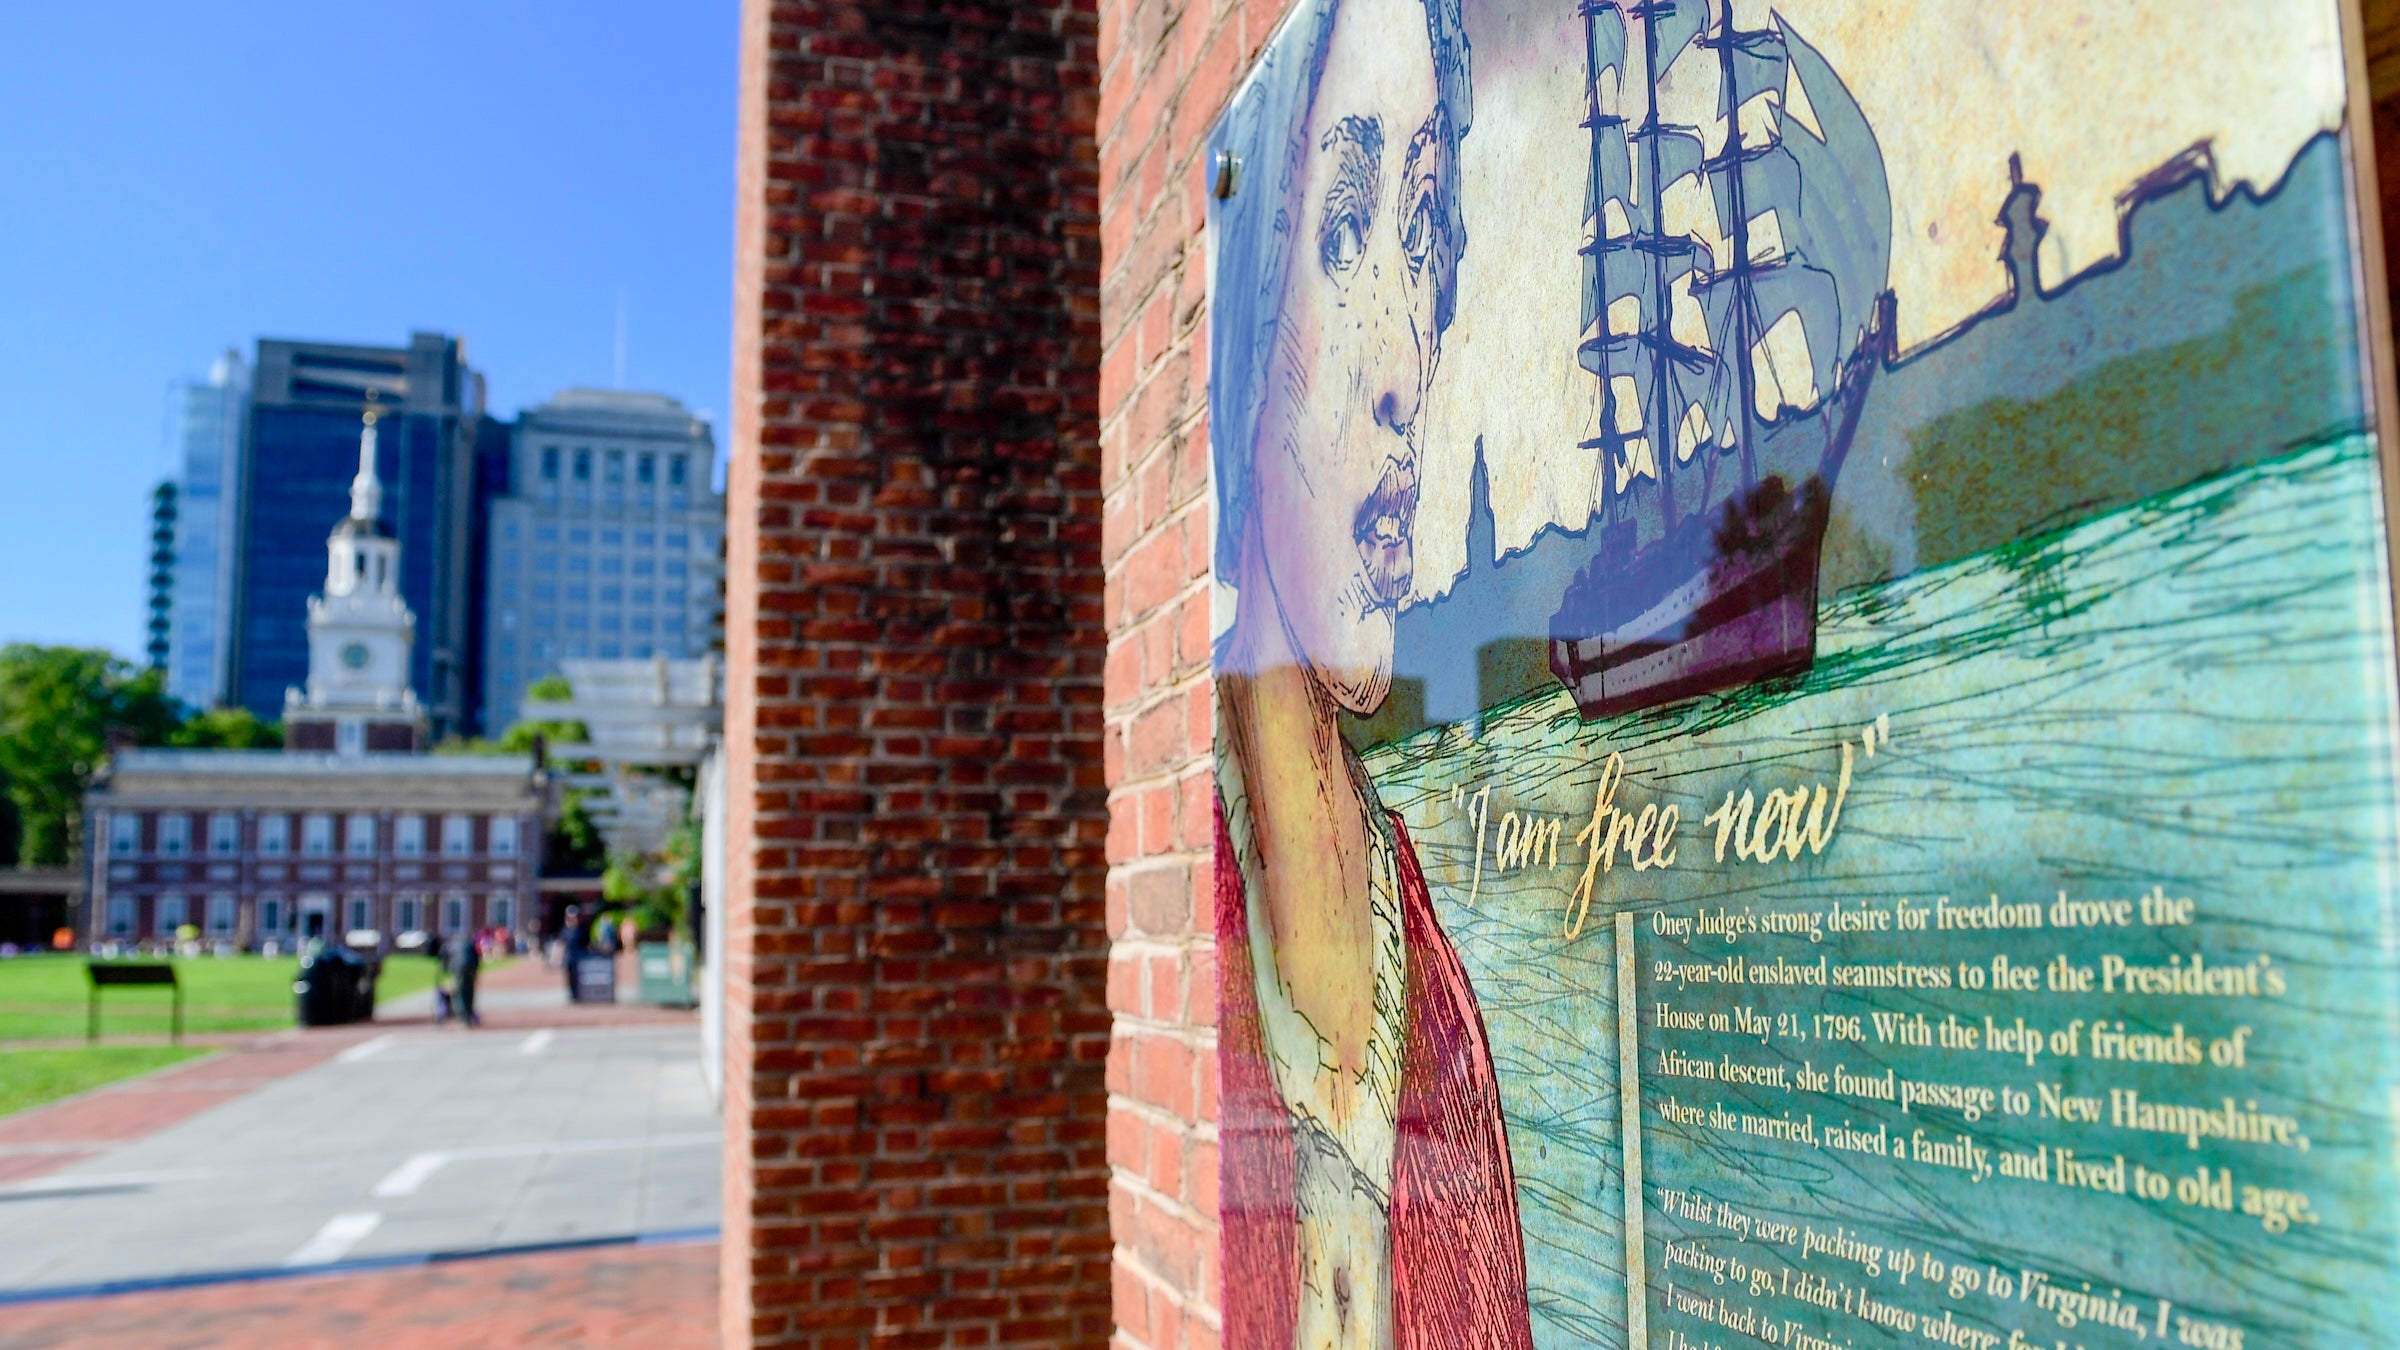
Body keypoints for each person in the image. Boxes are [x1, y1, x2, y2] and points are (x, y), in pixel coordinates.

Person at [1208, 0, 1531, 1344]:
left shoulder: (1437, 999)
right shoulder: (1203, 899)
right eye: (1342, 235)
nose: (1408, 360)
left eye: (1424, 244)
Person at [444, 925, 482, 1028]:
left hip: (458, 970)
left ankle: (463, 1017)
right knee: (469, 992)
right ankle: (468, 1014)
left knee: (459, 993)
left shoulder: (451, 945)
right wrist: (475, 972)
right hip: (470, 969)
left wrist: (446, 971)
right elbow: (477, 958)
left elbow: (445, 960)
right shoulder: (469, 944)